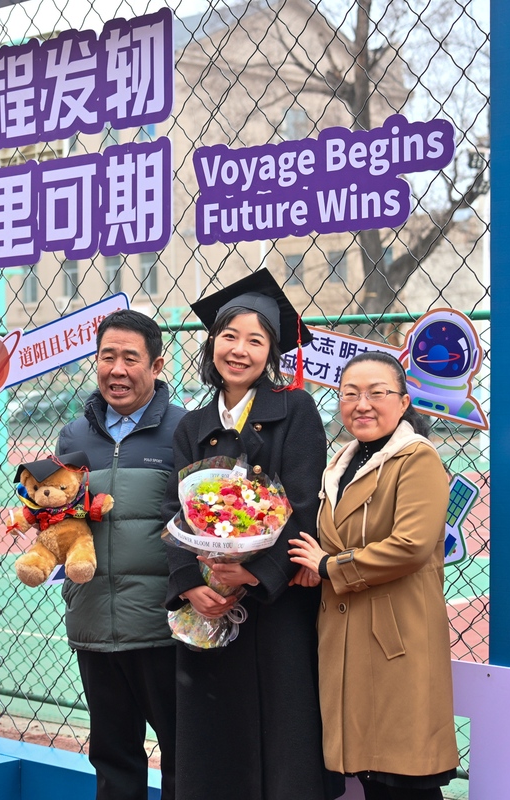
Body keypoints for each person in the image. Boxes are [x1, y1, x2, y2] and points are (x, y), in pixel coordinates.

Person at [161, 269, 342, 800]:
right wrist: (189, 584)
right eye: (229, 336)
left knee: (284, 745)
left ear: (271, 353)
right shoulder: (191, 425)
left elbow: (304, 504)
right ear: (212, 343)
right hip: (209, 602)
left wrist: (255, 573)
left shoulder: (296, 411)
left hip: (275, 606)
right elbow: (174, 510)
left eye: (255, 341)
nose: (239, 350)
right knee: (216, 747)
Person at [289, 351, 458, 800]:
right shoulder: (340, 464)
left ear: (403, 402)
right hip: (345, 638)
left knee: (406, 779)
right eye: (349, 394)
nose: (361, 404)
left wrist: (328, 566)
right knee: (372, 777)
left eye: (376, 393)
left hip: (395, 638)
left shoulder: (417, 458)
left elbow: (411, 545)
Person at [55, 309, 186, 800]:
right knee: (112, 759)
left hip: (163, 628)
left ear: (156, 366)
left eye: (131, 358)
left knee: (183, 755)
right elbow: (63, 518)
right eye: (107, 357)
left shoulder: (185, 429)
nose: (117, 370)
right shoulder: (74, 435)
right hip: (95, 623)